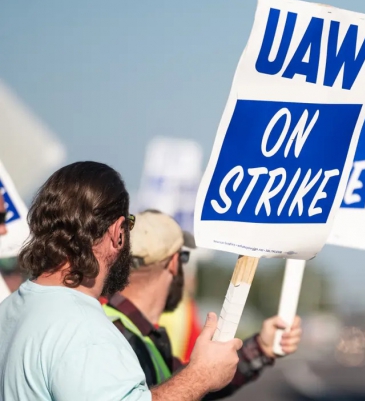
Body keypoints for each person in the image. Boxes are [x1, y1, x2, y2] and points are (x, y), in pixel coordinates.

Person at [0, 161, 243, 401]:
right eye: (128, 225)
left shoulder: (10, 307)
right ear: (118, 232)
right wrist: (200, 376)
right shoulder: (83, 329)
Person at [103, 209, 302, 399]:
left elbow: (182, 388)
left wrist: (261, 347)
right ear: (173, 262)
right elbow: (186, 385)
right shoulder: (118, 337)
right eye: (184, 257)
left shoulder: (119, 328)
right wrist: (200, 377)